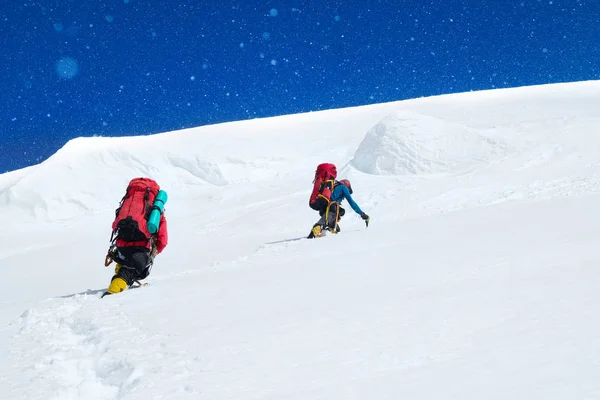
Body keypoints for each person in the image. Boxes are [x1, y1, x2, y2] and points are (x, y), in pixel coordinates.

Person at [103, 178, 168, 297]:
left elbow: (115, 224)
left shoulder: (128, 202)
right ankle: (114, 291)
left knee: (128, 262)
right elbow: (163, 239)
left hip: (121, 246)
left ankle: (122, 276)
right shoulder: (156, 210)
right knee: (136, 268)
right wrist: (155, 251)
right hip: (141, 246)